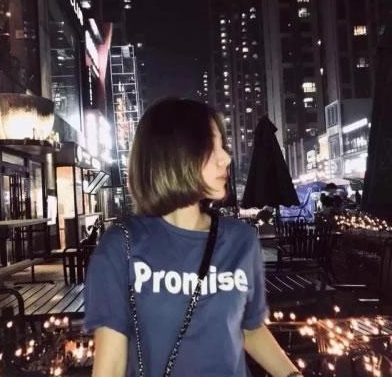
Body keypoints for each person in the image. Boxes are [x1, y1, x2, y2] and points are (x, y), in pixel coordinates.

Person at [84, 98, 302, 377]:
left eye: (223, 146)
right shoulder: (121, 246)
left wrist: (293, 375)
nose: (226, 158)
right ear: (174, 155)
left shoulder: (242, 240)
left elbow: (250, 328)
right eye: (213, 146)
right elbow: (111, 366)